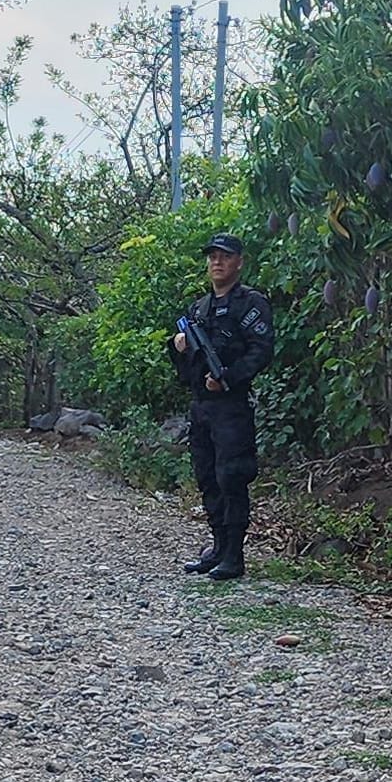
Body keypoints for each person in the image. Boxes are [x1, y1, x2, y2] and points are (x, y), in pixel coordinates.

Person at [168, 233, 274, 581]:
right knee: (207, 476)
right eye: (213, 256)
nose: (217, 262)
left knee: (232, 477)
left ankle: (234, 554)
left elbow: (261, 351)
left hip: (231, 406)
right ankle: (217, 546)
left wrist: (228, 377)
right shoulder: (198, 309)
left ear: (239, 262)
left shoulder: (251, 304)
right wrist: (179, 348)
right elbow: (185, 370)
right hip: (202, 407)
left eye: (225, 257)